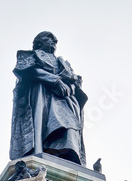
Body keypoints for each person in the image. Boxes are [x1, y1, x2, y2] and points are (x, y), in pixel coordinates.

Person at [10, 31, 88, 165]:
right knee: (50, 123)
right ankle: (44, 150)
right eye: (49, 38)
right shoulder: (30, 55)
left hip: (65, 100)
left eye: (55, 40)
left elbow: (75, 82)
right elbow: (30, 70)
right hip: (43, 96)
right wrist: (55, 80)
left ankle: (65, 155)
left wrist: (70, 88)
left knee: (70, 126)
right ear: (39, 42)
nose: (54, 41)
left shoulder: (62, 62)